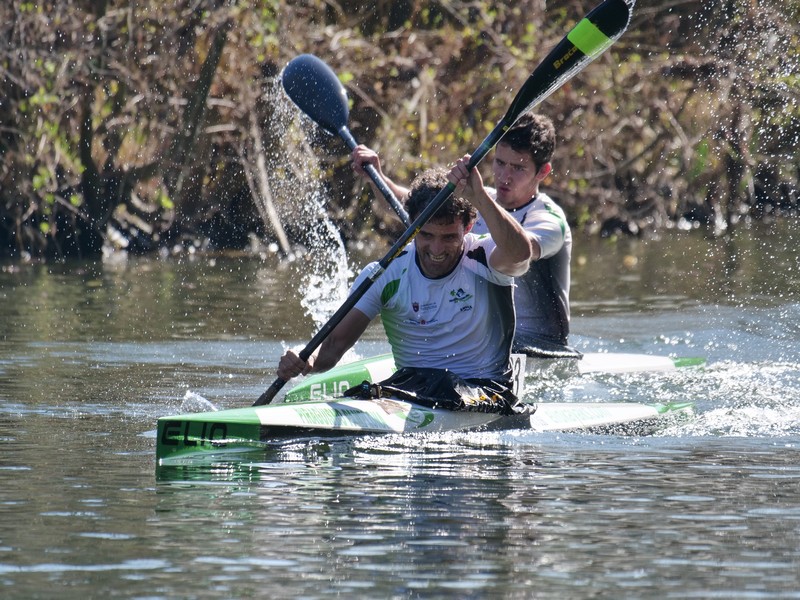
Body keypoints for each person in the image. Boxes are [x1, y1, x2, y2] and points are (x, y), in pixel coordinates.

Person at [277, 164, 533, 414]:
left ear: (466, 229)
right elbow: (333, 345)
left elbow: (521, 254)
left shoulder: (483, 256)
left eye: (448, 238)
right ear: (412, 227)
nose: (436, 250)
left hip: (487, 391)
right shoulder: (384, 274)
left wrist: (480, 198)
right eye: (427, 236)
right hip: (412, 388)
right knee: (367, 391)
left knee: (440, 386)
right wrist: (306, 359)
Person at [352, 112, 578, 358]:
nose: (504, 176)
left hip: (540, 349)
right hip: (484, 343)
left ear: (542, 172)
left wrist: (479, 198)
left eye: (518, 168)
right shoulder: (478, 197)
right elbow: (411, 208)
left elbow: (521, 252)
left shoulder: (548, 219)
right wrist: (377, 177)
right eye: (500, 163)